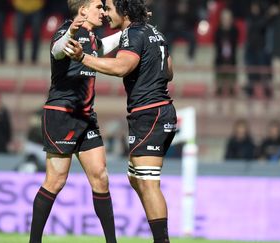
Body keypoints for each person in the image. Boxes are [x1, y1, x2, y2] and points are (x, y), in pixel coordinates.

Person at [64, 0, 176, 241]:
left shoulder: (133, 34)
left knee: (148, 183)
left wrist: (83, 58)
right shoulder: (154, 31)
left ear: (124, 11)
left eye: (110, 9)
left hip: (150, 113)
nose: (105, 15)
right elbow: (168, 71)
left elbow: (121, 67)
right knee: (136, 177)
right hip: (156, 112)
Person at [28, 0, 122, 242]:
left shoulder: (91, 37)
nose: (103, 12)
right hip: (63, 114)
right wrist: (70, 33)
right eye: (98, 7)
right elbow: (57, 50)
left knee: (100, 177)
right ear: (83, 10)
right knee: (56, 180)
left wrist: (130, 31)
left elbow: (103, 46)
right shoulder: (66, 31)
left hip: (86, 116)